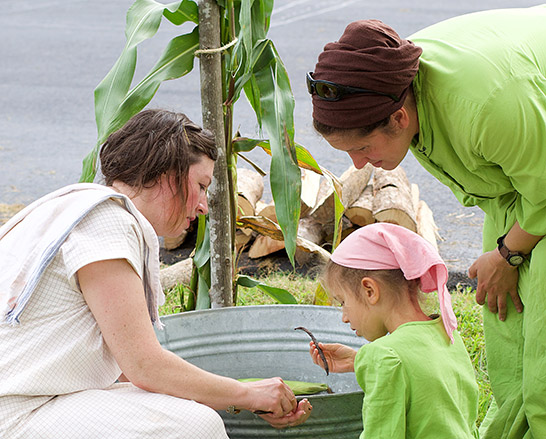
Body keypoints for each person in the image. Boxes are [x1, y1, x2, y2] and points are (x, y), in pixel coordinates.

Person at [307, 7, 546, 438]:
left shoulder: (485, 108)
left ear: (399, 118)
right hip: (527, 180)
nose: (359, 164)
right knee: (509, 334)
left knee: (544, 360)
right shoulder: (395, 86)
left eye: (362, 146)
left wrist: (509, 254)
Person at [0, 109, 311, 438]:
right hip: (19, 413)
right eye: (201, 185)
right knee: (197, 427)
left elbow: (127, 370)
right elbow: (143, 366)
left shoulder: (74, 206)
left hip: (44, 399)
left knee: (185, 409)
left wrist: (235, 399)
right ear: (168, 173)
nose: (204, 205)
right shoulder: (107, 221)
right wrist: (247, 395)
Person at [308, 222, 479, 438]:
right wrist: (359, 361)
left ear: (369, 290)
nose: (343, 317)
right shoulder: (447, 334)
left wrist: (373, 360)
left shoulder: (384, 356)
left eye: (342, 301)